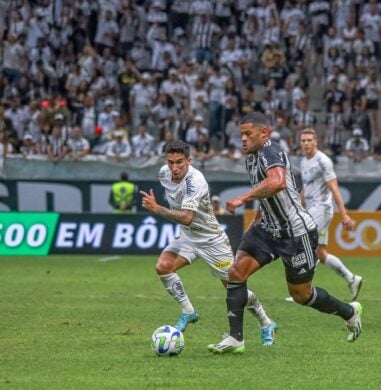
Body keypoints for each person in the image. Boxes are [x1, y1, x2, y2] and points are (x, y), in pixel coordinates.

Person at [208, 112, 362, 354]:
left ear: (264, 133)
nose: (243, 140)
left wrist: (242, 198)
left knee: (301, 295)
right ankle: (235, 338)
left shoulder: (272, 150)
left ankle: (349, 312)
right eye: (242, 135)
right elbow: (267, 194)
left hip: (296, 234)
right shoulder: (251, 158)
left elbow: (277, 182)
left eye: (248, 134)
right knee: (235, 273)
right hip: (267, 229)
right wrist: (256, 220)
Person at [140, 141, 277, 346]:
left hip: (211, 240)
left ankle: (266, 322)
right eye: (170, 162)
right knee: (163, 267)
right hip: (188, 237)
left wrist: (157, 209)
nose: (174, 168)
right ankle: (189, 311)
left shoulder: (196, 181)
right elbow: (185, 220)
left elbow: (187, 217)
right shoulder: (163, 174)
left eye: (179, 162)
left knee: (234, 289)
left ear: (189, 160)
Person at [291, 128, 363, 300]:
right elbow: (305, 189)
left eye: (309, 140)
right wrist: (296, 206)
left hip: (322, 209)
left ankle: (303, 288)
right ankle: (352, 279)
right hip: (312, 209)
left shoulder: (323, 161)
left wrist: (344, 215)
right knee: (320, 253)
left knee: (303, 243)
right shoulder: (304, 162)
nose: (306, 143)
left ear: (316, 141)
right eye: (303, 141)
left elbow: (334, 188)